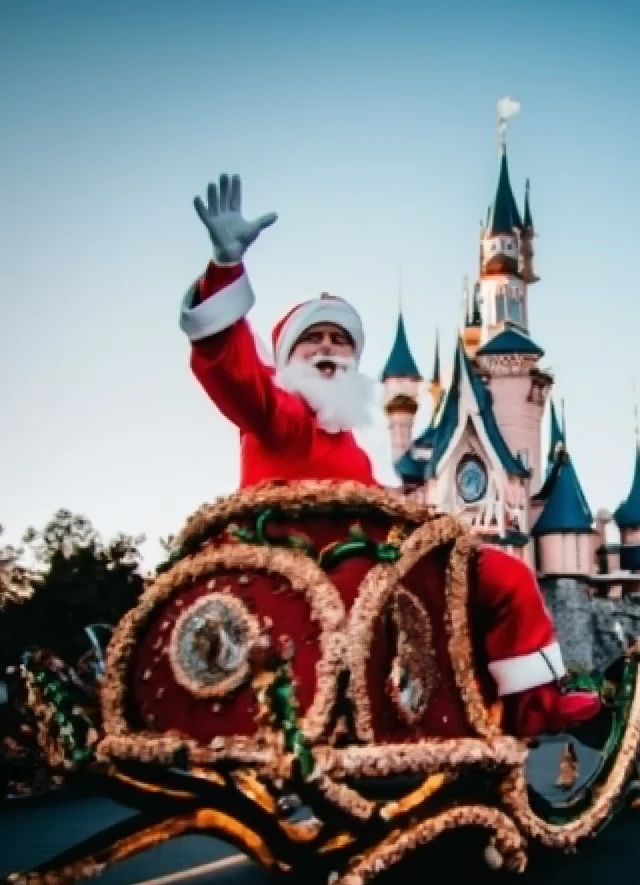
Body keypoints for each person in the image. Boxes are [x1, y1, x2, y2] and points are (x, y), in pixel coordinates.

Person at [177, 174, 600, 739]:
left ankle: (528, 704)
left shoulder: (346, 441)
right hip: (306, 567)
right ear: (288, 358)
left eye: (340, 341)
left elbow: (382, 506)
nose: (329, 349)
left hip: (369, 561)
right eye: (314, 341)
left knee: (502, 572)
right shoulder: (279, 416)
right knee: (401, 592)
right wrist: (224, 271)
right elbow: (231, 372)